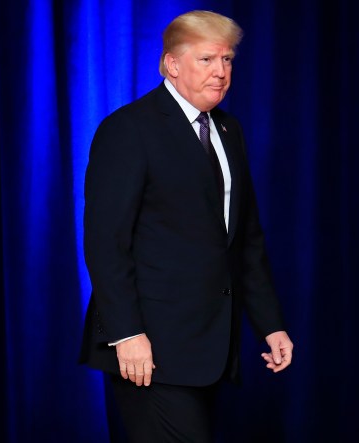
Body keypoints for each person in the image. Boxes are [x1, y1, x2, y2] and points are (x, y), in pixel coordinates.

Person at [79, 10, 294, 442]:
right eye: (207, 60)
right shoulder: (128, 130)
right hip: (147, 348)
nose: (221, 72)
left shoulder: (229, 130)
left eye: (228, 60)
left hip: (209, 345)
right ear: (171, 65)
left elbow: (243, 240)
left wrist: (270, 323)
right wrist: (127, 333)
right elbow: (106, 243)